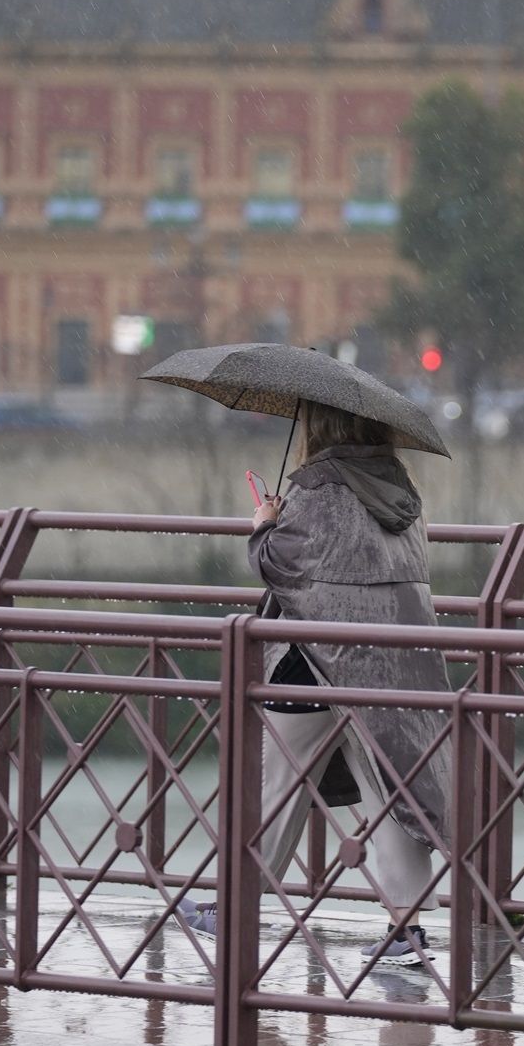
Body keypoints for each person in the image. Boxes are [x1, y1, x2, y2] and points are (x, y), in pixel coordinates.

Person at [182, 401, 453, 967]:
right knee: (389, 792)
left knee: (275, 783)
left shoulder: (318, 485)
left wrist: (263, 526)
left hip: (318, 659)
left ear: (319, 428)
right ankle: (407, 930)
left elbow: (285, 565)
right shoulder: (400, 489)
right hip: (394, 660)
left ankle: (234, 909)